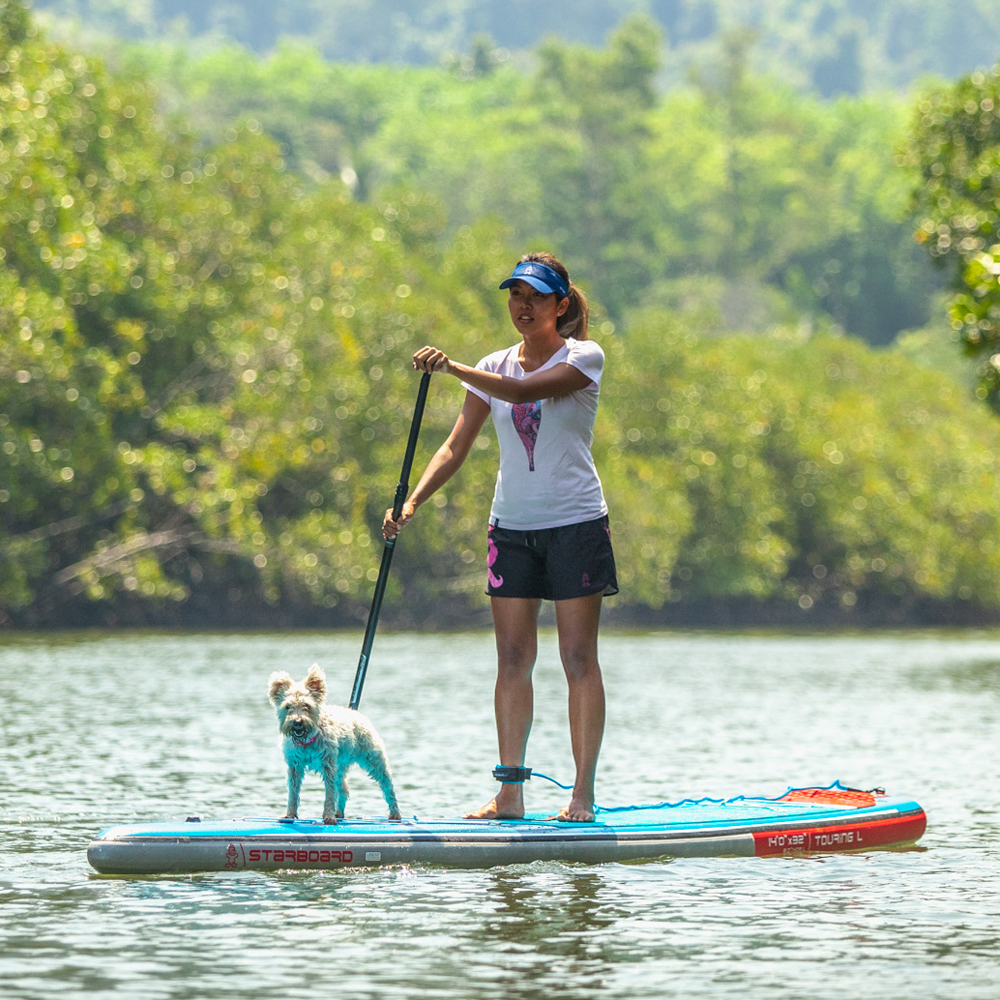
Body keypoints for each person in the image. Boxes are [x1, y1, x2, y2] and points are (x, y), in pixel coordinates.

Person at [382, 252, 617, 823]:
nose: (523, 305)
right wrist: (411, 500)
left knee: (576, 657)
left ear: (560, 305)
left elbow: (520, 393)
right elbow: (455, 445)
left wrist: (453, 368)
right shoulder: (494, 363)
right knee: (512, 658)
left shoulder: (584, 357)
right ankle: (510, 794)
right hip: (511, 529)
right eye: (516, 294)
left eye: (536, 296)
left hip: (575, 525)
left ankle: (581, 795)